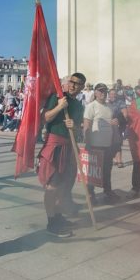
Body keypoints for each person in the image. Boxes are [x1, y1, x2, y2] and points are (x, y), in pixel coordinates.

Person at [37, 72, 86, 237]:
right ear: (68, 82)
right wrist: (59, 106)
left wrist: (75, 127)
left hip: (68, 147)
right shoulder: (57, 97)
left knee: (64, 187)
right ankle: (51, 223)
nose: (73, 85)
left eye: (78, 84)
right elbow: (45, 118)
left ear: (82, 87)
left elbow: (78, 129)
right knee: (52, 186)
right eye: (72, 82)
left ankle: (58, 216)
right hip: (54, 146)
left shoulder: (79, 106)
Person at [83, 83, 119, 203]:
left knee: (107, 170)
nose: (103, 93)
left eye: (104, 91)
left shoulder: (109, 107)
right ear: (95, 92)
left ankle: (107, 191)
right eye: (100, 91)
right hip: (95, 145)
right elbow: (86, 125)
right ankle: (90, 194)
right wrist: (87, 144)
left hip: (107, 145)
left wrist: (115, 122)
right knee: (93, 172)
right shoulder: (91, 106)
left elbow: (112, 123)